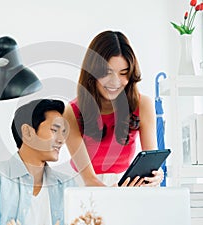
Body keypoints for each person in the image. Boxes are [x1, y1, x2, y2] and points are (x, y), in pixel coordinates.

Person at [63, 30, 164, 187]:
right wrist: (115, 193)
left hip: (125, 182)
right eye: (107, 73)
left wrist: (157, 175)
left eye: (123, 73)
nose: (115, 82)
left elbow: (150, 158)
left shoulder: (142, 104)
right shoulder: (72, 111)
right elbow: (89, 179)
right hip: (83, 183)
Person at [0, 99, 76, 225]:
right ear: (27, 132)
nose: (62, 140)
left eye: (64, 132)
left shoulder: (68, 186)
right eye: (54, 130)